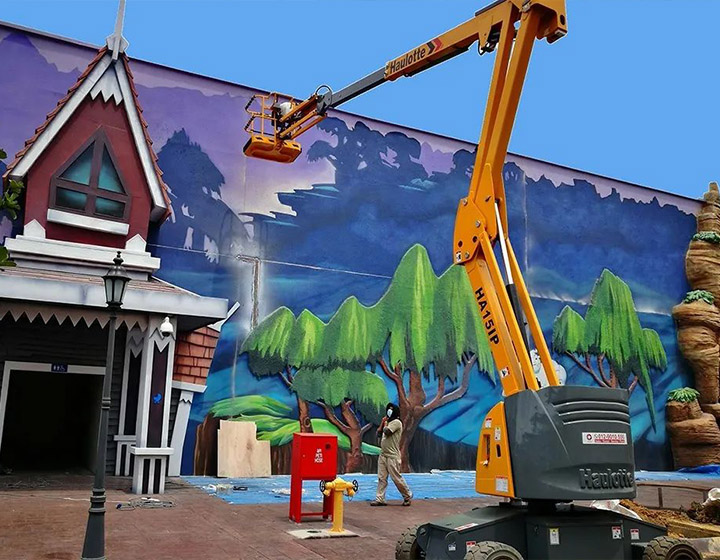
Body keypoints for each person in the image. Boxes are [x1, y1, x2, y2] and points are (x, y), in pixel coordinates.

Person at [370, 402, 413, 506]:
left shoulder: (397, 422)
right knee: (381, 478)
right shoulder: (387, 422)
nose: (389, 411)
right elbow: (379, 433)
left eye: (391, 409)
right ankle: (380, 498)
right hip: (383, 454)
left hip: (392, 456)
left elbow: (387, 432)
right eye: (388, 409)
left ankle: (407, 495)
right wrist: (382, 423)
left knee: (396, 478)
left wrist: (385, 423)